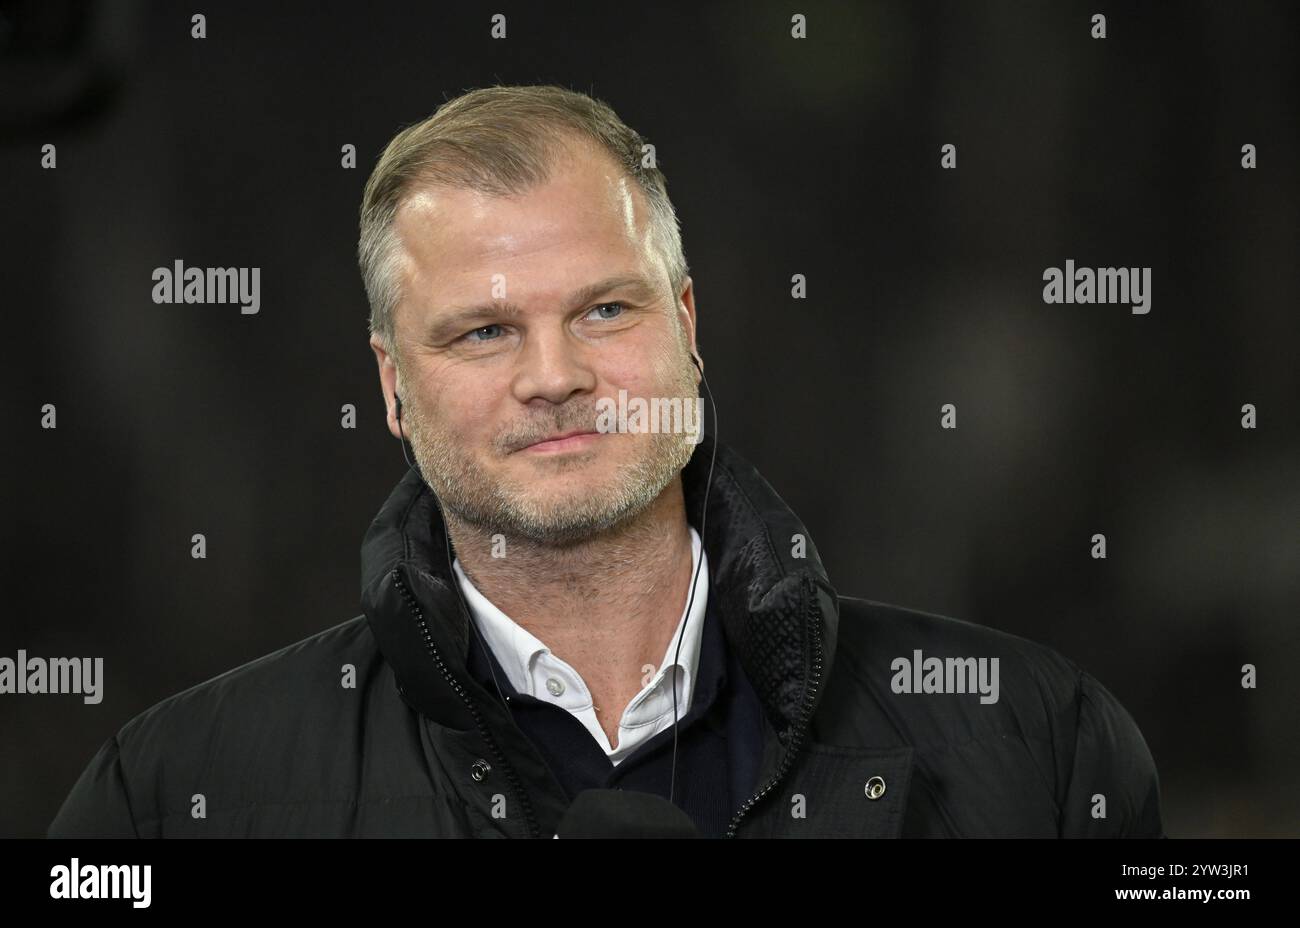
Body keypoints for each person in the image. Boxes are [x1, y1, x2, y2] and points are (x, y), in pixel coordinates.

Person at [48, 84, 1164, 838]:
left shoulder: (1037, 743)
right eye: (484, 330)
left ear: (687, 323)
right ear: (392, 386)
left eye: (604, 309)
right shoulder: (175, 792)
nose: (554, 375)